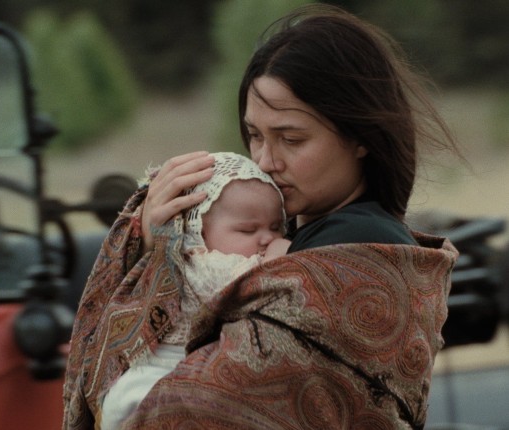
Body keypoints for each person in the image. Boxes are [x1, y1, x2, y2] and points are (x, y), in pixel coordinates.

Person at [63, 4, 459, 429]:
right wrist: (154, 246)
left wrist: (158, 265)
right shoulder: (293, 232)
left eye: (292, 139)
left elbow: (200, 402)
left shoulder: (359, 246)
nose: (266, 161)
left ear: (361, 137)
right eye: (254, 135)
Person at [100, 152, 290, 430]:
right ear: (199, 232)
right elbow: (244, 285)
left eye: (276, 227)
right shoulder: (201, 264)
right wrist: (278, 258)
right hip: (154, 377)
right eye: (248, 230)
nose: (268, 238)